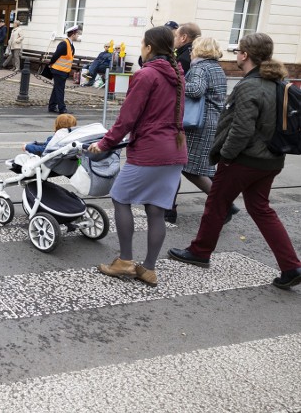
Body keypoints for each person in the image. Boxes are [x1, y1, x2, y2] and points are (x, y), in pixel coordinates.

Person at [168, 33, 301, 290]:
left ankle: (200, 251)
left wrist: (226, 156)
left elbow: (241, 129)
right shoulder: (276, 82)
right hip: (271, 159)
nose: (237, 55)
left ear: (245, 55)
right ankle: (291, 265)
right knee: (261, 209)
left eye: (239, 51)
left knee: (216, 204)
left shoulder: (250, 85)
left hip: (244, 159)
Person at [89, 26, 187, 287]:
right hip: (175, 150)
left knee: (120, 197)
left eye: (142, 43)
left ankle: (125, 261)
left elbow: (127, 118)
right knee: (156, 211)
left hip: (150, 151)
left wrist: (105, 143)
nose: (140, 47)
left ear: (149, 47)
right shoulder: (178, 73)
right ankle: (149, 269)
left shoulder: (146, 75)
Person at [166, 36, 239, 224]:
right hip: (212, 121)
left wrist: (176, 81)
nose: (190, 52)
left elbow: (196, 90)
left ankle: (224, 205)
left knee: (191, 169)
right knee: (199, 168)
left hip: (199, 124)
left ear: (201, 50)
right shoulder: (216, 67)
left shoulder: (200, 67)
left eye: (193, 49)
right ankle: (224, 204)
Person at [48, 24, 81, 113]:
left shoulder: (70, 44)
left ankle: (51, 106)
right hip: (59, 70)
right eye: (77, 34)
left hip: (63, 71)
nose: (78, 35)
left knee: (57, 89)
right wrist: (50, 64)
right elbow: (55, 55)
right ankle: (62, 108)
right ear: (73, 34)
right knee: (60, 90)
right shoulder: (64, 43)